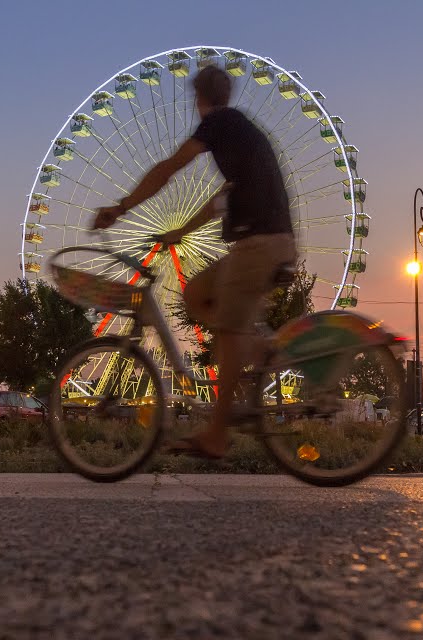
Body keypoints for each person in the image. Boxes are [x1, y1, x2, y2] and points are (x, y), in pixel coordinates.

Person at [94, 65, 297, 459]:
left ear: (198, 99)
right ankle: (258, 351)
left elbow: (168, 168)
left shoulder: (220, 123)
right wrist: (180, 233)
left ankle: (216, 434)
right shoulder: (239, 136)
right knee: (196, 295)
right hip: (265, 243)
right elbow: (223, 198)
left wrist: (121, 208)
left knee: (227, 328)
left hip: (261, 244)